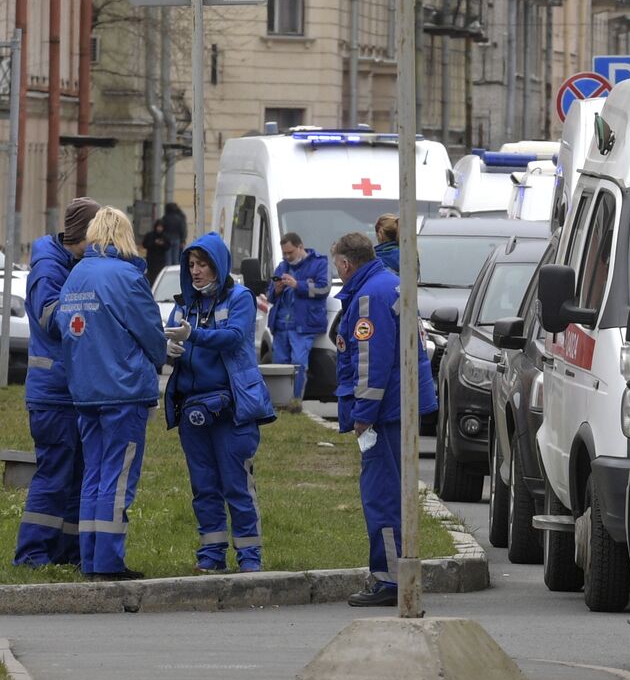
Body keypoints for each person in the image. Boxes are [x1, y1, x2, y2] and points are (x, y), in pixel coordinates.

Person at [53, 207, 166, 581]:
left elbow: (63, 329)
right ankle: (108, 562)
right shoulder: (127, 277)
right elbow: (152, 334)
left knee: (94, 475)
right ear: (124, 235)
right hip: (124, 391)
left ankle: (90, 559)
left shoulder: (75, 276)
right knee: (117, 479)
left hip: (86, 391)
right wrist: (161, 356)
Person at [331, 231, 437, 607]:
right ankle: (394, 573)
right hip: (400, 406)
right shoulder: (388, 283)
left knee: (382, 496)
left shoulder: (368, 297)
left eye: (337, 267)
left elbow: (369, 364)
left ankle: (390, 579)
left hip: (385, 412)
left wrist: (363, 414)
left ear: (345, 264)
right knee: (394, 492)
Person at [163, 233, 277, 574]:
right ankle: (211, 556)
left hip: (231, 409)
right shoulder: (184, 303)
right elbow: (168, 336)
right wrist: (168, 351)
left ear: (218, 266)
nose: (196, 272)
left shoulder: (240, 298)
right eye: (192, 265)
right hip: (193, 410)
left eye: (203, 265)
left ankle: (249, 559)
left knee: (236, 485)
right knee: (203, 487)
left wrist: (192, 336)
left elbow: (234, 338)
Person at [13, 197, 100, 568]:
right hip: (53, 395)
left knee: (74, 476)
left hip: (70, 392)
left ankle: (65, 551)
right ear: (83, 234)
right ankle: (31, 554)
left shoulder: (69, 264)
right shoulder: (49, 269)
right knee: (53, 476)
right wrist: (86, 303)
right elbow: (52, 319)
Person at [266, 232, 329, 411]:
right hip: (280, 325)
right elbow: (270, 295)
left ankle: (295, 402)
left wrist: (297, 285)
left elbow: (324, 288)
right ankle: (279, 405)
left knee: (298, 364)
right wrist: (276, 290)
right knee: (279, 365)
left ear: (301, 247)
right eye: (284, 253)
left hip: (304, 325)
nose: (287, 257)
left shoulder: (319, 263)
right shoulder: (281, 267)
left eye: (290, 252)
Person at [161, 202, 187, 268]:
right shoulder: (179, 218)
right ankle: (175, 272)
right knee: (176, 258)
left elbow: (162, 230)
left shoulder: (165, 218)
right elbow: (182, 229)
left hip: (167, 240)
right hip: (177, 239)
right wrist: (183, 240)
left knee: (168, 259)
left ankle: (168, 272)